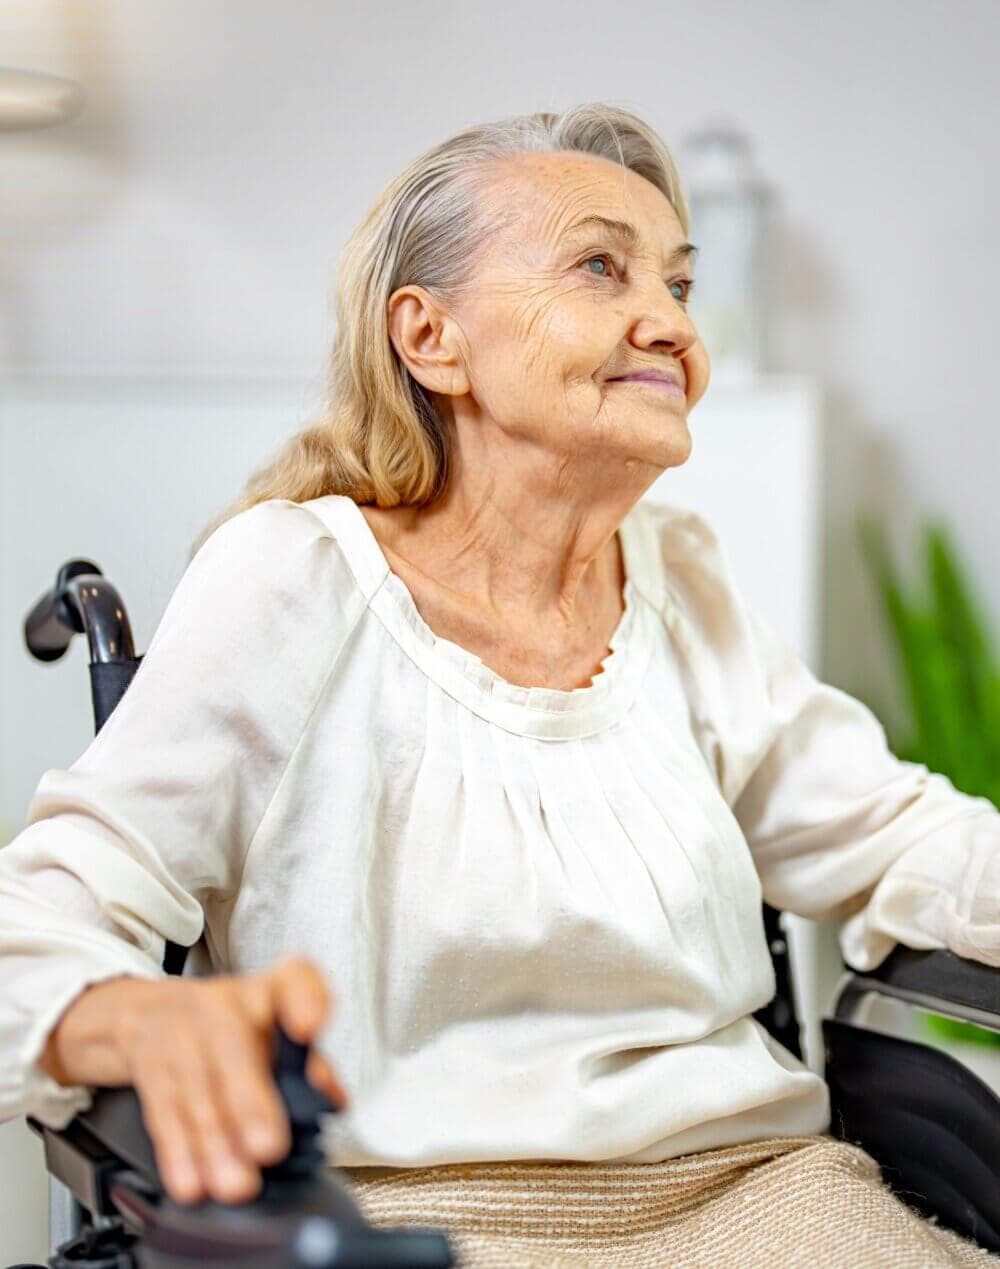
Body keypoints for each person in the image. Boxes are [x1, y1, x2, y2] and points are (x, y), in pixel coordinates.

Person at [2, 103, 998, 1267]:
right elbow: (44, 915)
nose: (669, 323)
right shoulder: (294, 580)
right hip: (406, 1222)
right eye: (599, 266)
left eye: (678, 283)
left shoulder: (678, 579)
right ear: (430, 339)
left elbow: (896, 837)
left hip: (764, 1200)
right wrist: (135, 1019)